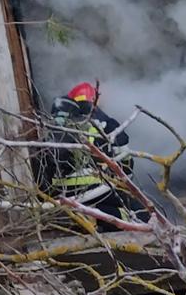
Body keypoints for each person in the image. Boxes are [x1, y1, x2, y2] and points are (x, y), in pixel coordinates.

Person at [39, 82, 148, 223]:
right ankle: (96, 218)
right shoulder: (104, 122)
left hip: (58, 191)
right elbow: (125, 159)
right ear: (93, 101)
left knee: (104, 202)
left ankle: (85, 215)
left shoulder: (55, 124)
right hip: (92, 187)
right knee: (142, 212)